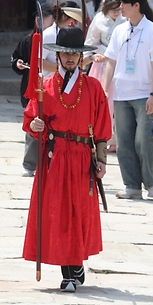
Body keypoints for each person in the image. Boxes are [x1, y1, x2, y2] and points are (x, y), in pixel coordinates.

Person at [24, 27, 110, 291]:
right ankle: (68, 272)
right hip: (55, 157)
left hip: (83, 158)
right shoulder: (45, 86)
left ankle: (75, 263)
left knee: (79, 212)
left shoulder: (93, 87)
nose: (70, 58)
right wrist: (36, 125)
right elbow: (31, 119)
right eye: (65, 53)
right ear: (58, 55)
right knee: (58, 213)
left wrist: (102, 160)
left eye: (75, 53)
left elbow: (103, 126)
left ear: (82, 56)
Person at [101, 0, 153, 199]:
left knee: (144, 139)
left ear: (136, 5)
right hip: (121, 94)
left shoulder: (152, 31)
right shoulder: (119, 30)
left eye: (124, 4)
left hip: (143, 93)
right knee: (124, 142)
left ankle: (150, 183)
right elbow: (111, 61)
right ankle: (132, 186)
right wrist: (104, 88)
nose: (120, 8)